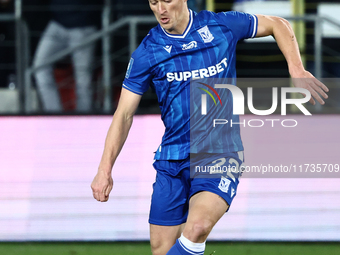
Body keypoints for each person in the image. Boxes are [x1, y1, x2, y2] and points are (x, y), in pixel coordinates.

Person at [91, 1, 329, 254]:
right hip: (171, 161)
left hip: (220, 153)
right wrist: (104, 170)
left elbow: (278, 24)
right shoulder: (147, 52)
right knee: (162, 250)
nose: (160, 9)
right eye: (153, 2)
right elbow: (124, 114)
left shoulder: (221, 25)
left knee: (197, 228)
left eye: (167, 0)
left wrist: (296, 68)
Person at [33, 0, 101, 112]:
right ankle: (54, 117)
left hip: (84, 25)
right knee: (39, 67)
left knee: (83, 80)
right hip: (57, 23)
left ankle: (84, 123)